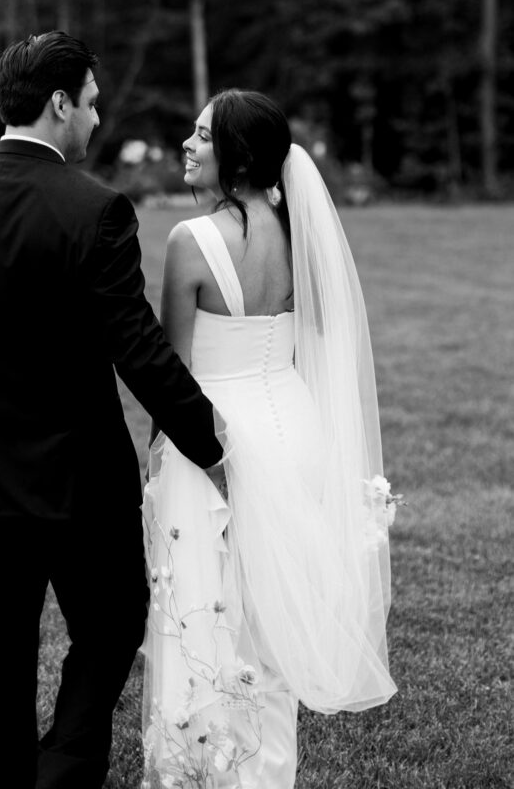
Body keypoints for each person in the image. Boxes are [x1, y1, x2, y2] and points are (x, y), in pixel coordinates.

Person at [0, 31, 223, 789]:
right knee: (111, 624)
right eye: (92, 102)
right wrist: (212, 446)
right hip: (76, 483)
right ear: (58, 104)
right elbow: (138, 350)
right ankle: (65, 768)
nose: (97, 118)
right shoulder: (96, 209)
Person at [141, 89, 397, 789]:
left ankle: (199, 773)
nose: (187, 147)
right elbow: (310, 340)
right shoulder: (302, 237)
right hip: (294, 430)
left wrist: (157, 461)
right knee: (273, 620)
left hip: (214, 440)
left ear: (235, 155)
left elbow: (173, 373)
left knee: (201, 616)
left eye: (201, 136)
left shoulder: (189, 242)